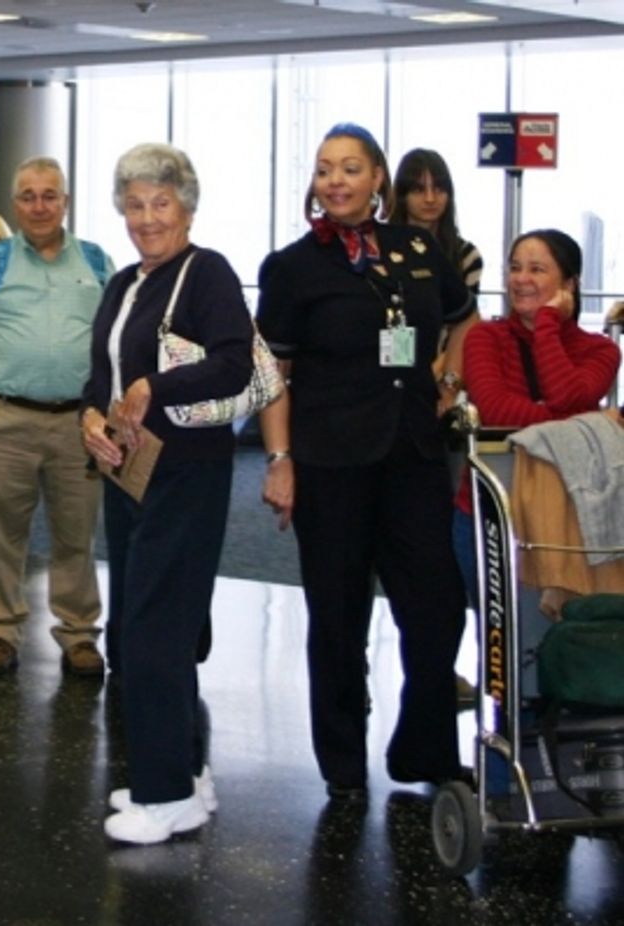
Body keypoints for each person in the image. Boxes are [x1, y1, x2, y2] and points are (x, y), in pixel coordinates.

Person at [257, 123, 476, 803]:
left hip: (411, 454)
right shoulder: (292, 267)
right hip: (330, 461)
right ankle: (344, 762)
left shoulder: (415, 248)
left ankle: (425, 748)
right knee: (339, 614)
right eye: (325, 170)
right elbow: (272, 372)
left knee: (438, 609)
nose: (337, 181)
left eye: (351, 168)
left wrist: (447, 384)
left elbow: (463, 316)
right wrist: (279, 458)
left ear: (379, 178)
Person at [80, 143, 251, 844]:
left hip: (187, 473)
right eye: (135, 204)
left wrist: (160, 387)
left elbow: (236, 361)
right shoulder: (124, 284)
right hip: (129, 471)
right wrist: (91, 415)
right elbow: (103, 371)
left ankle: (164, 794)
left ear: (187, 207)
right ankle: (186, 772)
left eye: (161, 203)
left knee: (154, 631)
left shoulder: (207, 273)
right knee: (145, 628)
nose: (146, 217)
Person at [0, 157, 113, 677]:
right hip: (5, 419)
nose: (38, 205)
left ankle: (79, 635)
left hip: (79, 424)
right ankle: (0, 632)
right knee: (0, 532)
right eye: (28, 196)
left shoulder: (97, 262)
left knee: (76, 533)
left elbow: (116, 342)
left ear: (66, 202)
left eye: (49, 195)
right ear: (15, 205)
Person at [455, 229, 621, 602]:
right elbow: (496, 413)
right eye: (515, 268)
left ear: (570, 284)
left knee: (571, 635)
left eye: (537, 269)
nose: (521, 279)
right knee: (499, 642)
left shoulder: (601, 351)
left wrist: (547, 324)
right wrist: (568, 420)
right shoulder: (484, 338)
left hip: (573, 519)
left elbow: (569, 396)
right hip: (491, 513)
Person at [390, 148, 483, 412]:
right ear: (402, 195)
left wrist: (444, 381)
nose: (430, 199)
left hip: (445, 375)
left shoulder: (466, 256)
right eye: (419, 190)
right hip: (389, 374)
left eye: (439, 189)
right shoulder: (381, 247)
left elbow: (464, 324)